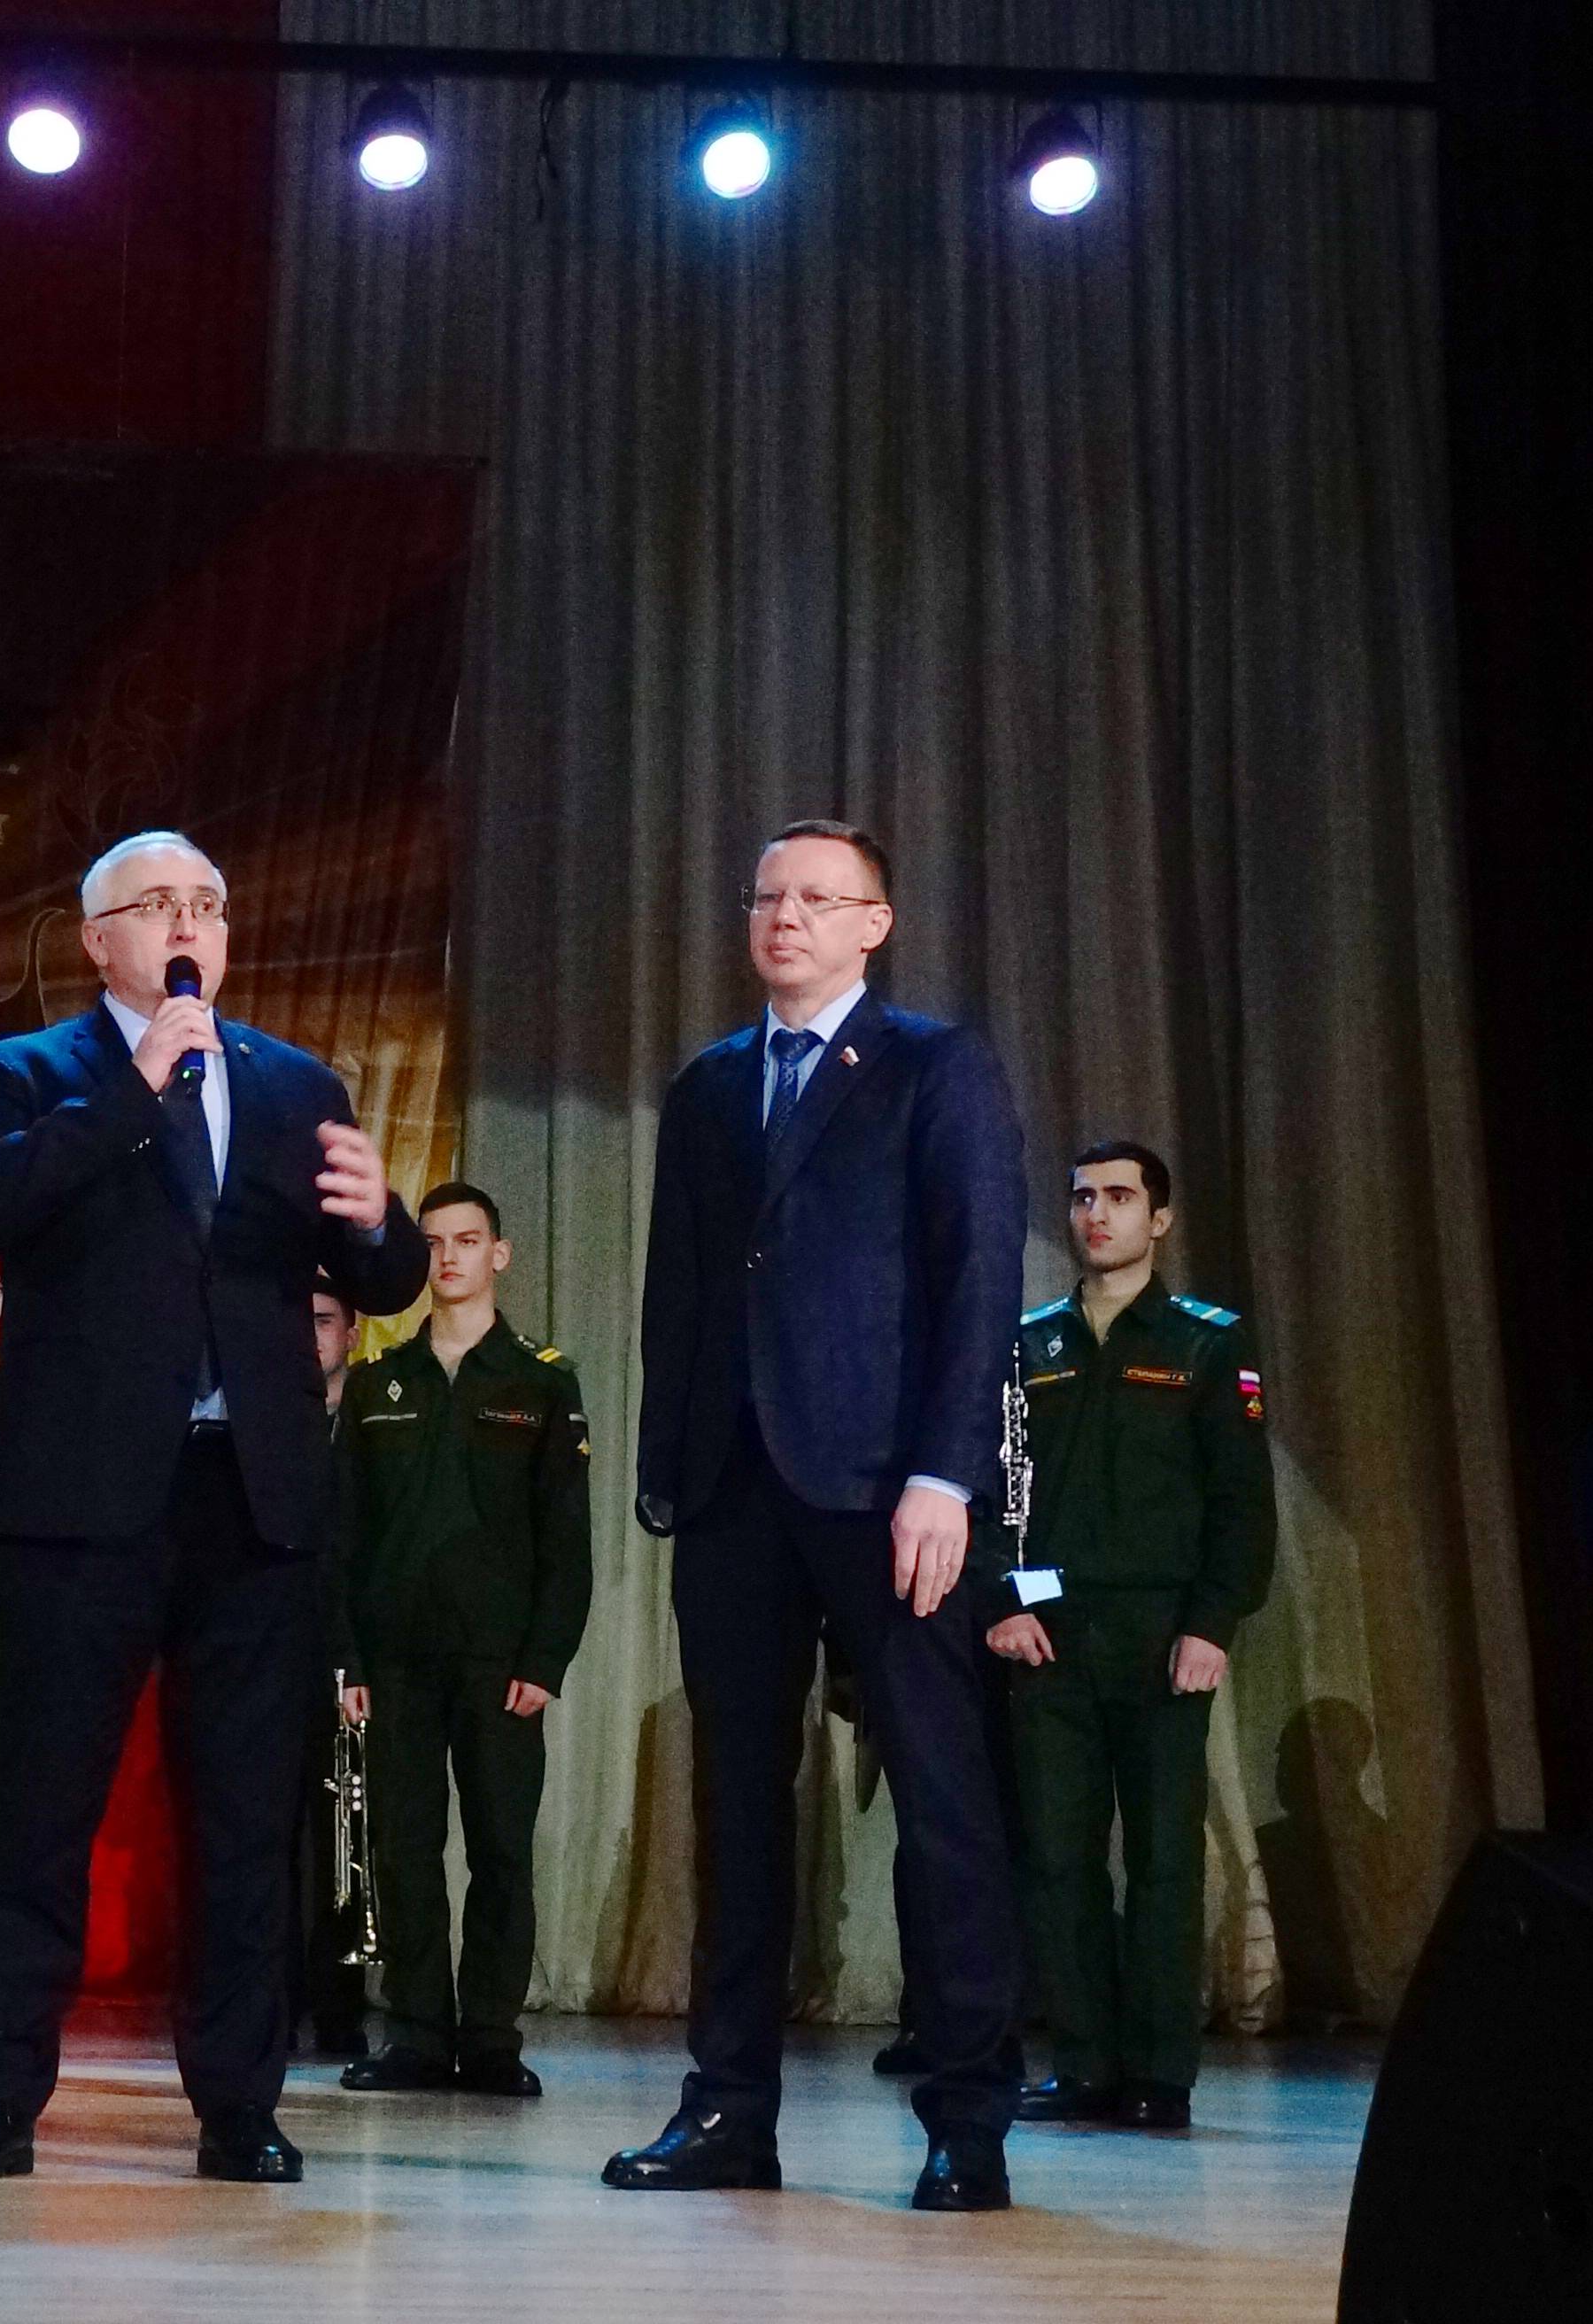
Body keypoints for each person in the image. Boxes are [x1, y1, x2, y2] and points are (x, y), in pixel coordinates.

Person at [0, 831, 421, 2185]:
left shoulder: (294, 1083)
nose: (190, 924)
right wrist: (135, 1089)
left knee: (248, 1820)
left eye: (209, 903)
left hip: (250, 1495)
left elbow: (376, 1279)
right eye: (158, 906)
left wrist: (379, 1223)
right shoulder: (26, 1073)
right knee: (42, 1811)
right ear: (100, 941)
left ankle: (240, 2105)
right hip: (80, 1500)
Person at [615, 818, 1026, 2213]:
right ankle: (729, 2108)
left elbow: (978, 1279)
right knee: (737, 1807)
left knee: (941, 1799)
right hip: (736, 1488)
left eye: (817, 898)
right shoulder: (709, 1085)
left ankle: (968, 2119)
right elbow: (681, 1287)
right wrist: (669, 1466)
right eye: (767, 895)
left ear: (874, 925)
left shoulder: (933, 1067)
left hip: (884, 1485)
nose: (784, 916)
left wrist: (945, 1475)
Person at [986, 1141, 1276, 2133]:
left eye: (1118, 1196)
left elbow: (1241, 1501)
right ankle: (1083, 2064)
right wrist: (1004, 1601)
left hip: (1163, 1636)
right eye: (1081, 1198)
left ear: (1159, 1219)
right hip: (1051, 1634)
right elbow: (997, 1486)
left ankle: (1159, 2072)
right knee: (1058, 1858)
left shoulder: (1206, 1341)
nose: (1095, 1214)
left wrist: (1212, 1622)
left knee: (1162, 1861)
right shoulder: (1027, 1342)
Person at [333, 1182, 592, 2099]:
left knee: (500, 1852)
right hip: (396, 1661)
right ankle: (413, 2033)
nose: (449, 1257)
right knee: (403, 1851)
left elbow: (567, 1537)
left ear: (498, 1254)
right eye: (434, 1242)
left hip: (500, 1663)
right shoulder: (378, 1383)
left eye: (467, 1240)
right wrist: (348, 1659)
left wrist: (545, 1659)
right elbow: (343, 1536)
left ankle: (489, 2038)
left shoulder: (542, 1380)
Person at [296, 1287, 370, 2059]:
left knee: (347, 1833)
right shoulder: (267, 1418)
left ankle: (342, 2005)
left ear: (352, 1331)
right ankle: (274, 2001)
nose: (310, 1335)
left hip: (354, 1657)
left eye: (323, 1320)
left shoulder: (374, 1414)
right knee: (267, 1837)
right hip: (274, 1645)